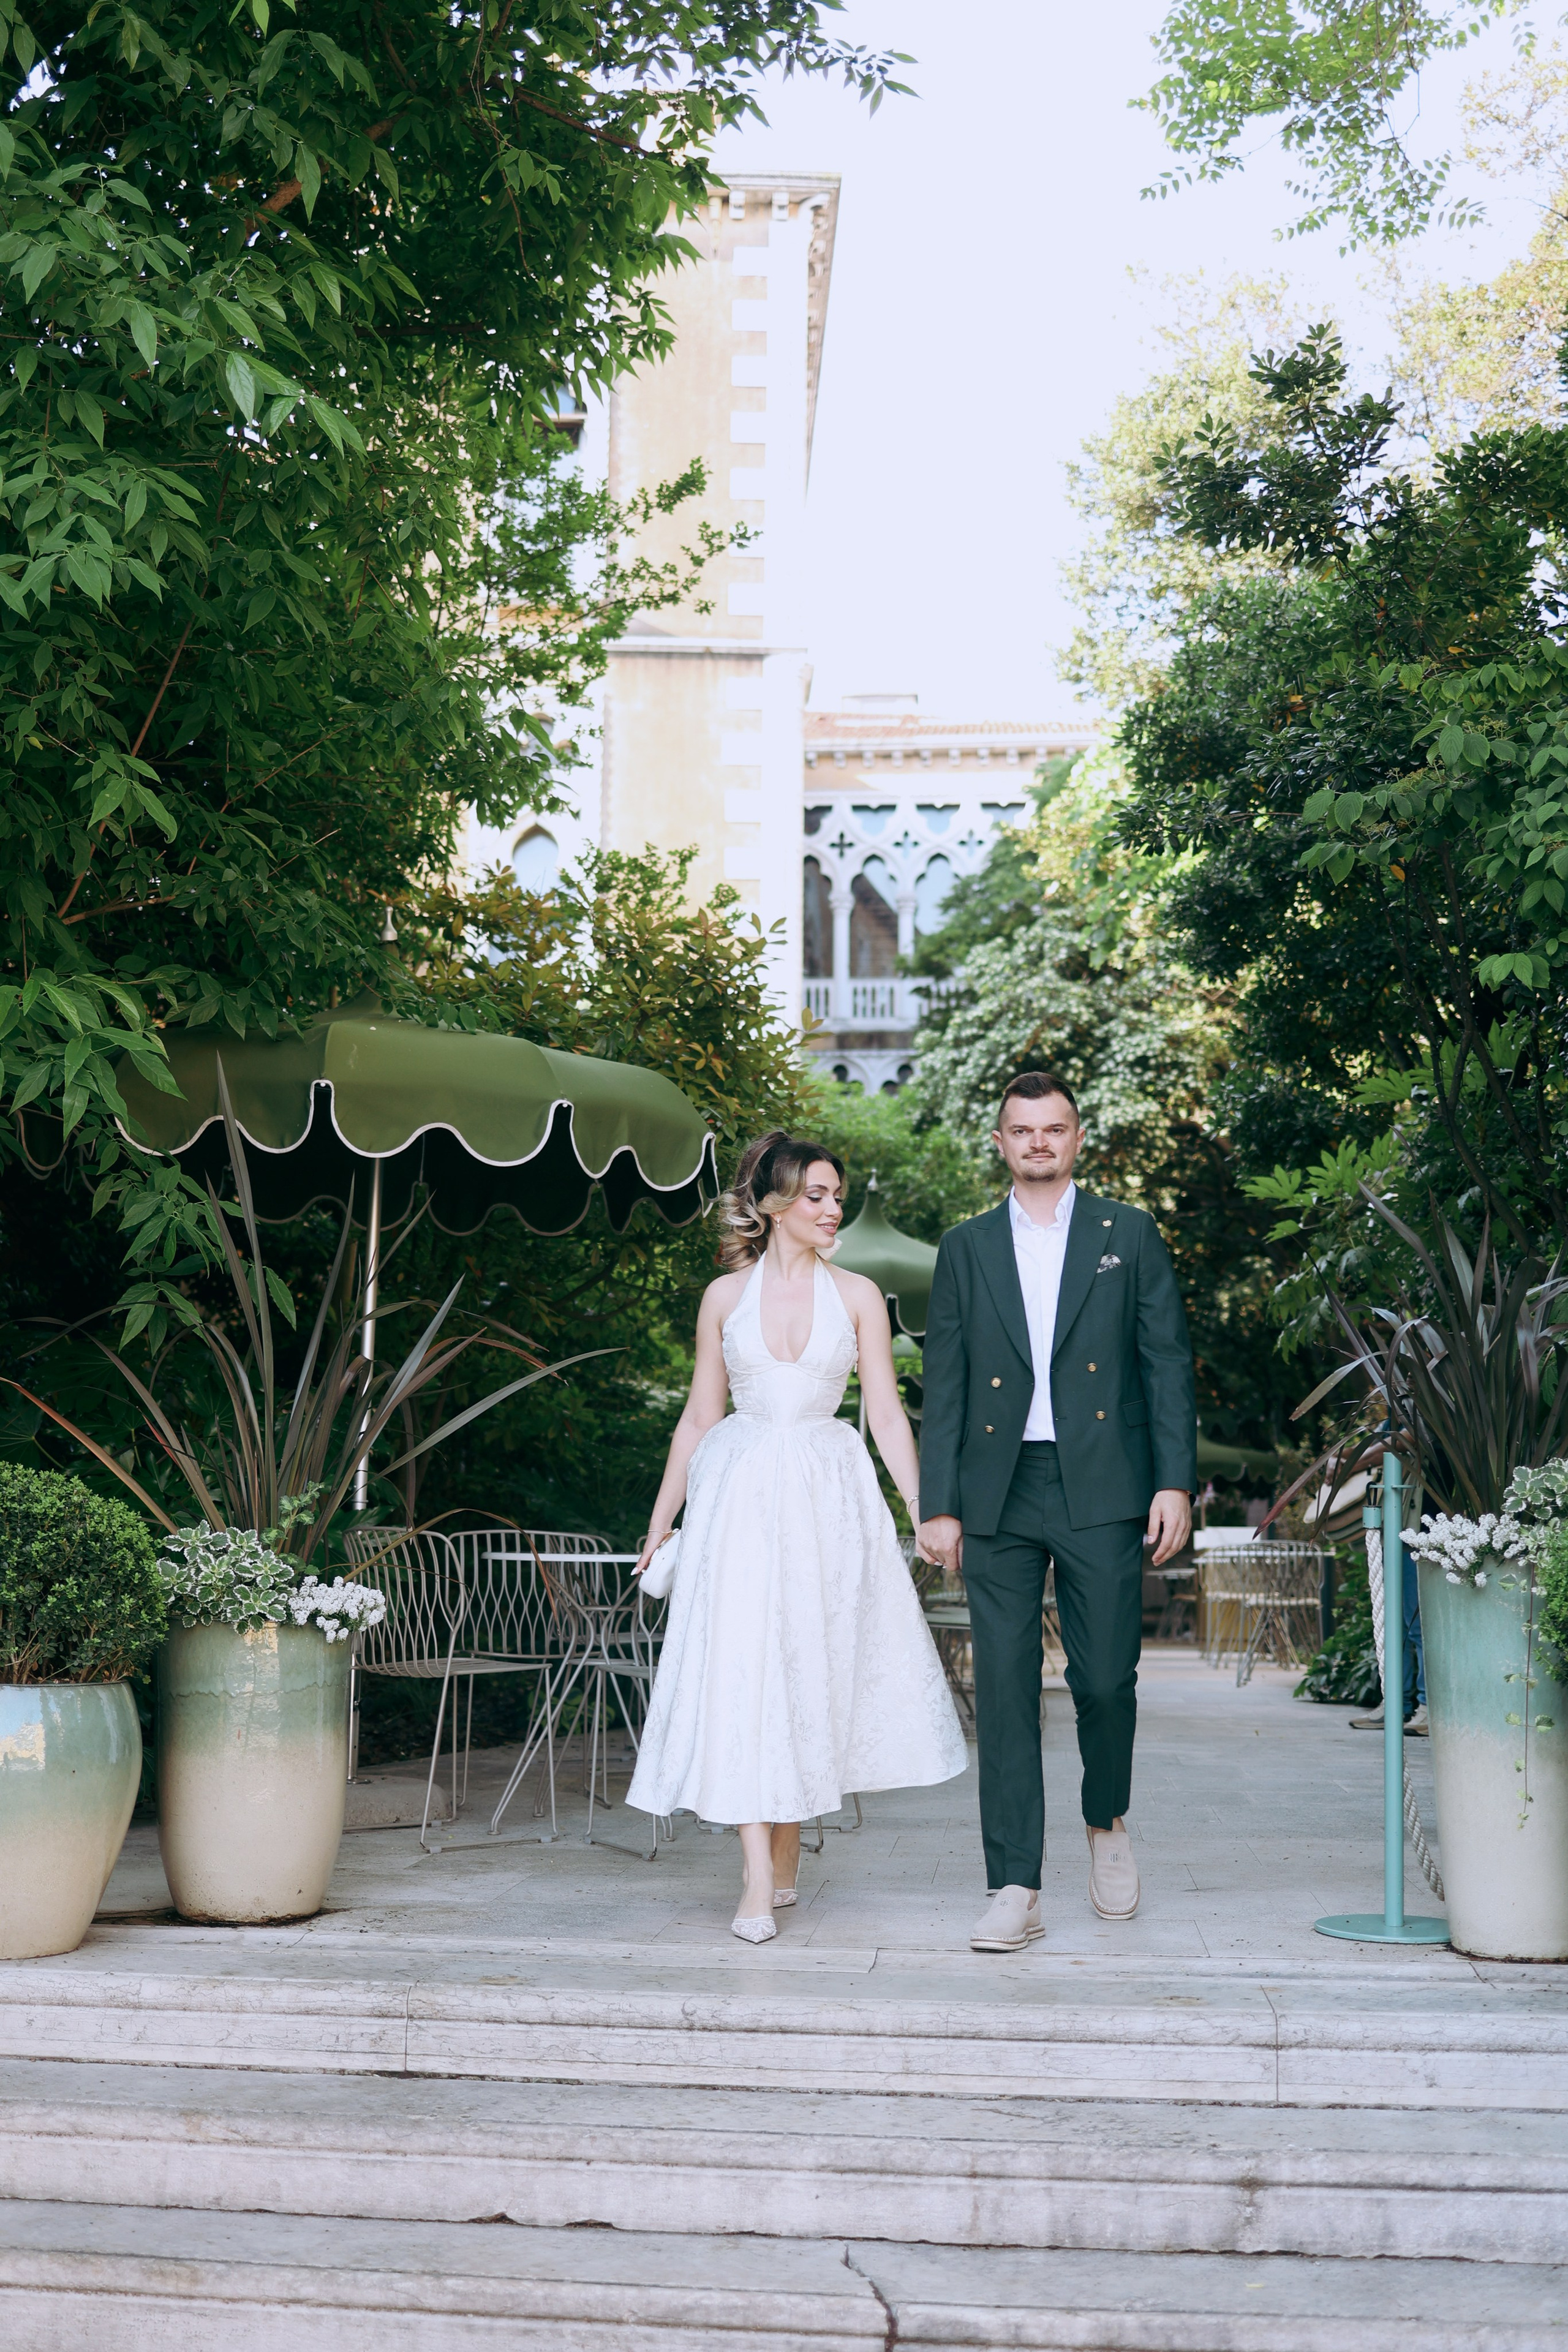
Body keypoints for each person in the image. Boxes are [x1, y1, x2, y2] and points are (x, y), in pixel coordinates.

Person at [627, 1131, 968, 1942]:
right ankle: (753, 1879)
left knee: (806, 1669)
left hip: (827, 1497)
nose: (831, 1208)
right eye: (816, 1194)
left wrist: (921, 1507)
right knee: (745, 1668)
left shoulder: (856, 1296)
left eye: (836, 1196)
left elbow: (884, 1411)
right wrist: (660, 1520)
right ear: (774, 1203)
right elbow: (700, 1417)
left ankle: (786, 1843)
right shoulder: (722, 1299)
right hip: (738, 1496)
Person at [918, 1072, 1196, 1953]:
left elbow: (1166, 1363)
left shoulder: (1131, 1233)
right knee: (1002, 1689)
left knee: (1107, 1680)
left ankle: (1105, 1822)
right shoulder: (964, 1247)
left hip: (1103, 1482)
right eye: (1021, 1129)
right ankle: (1015, 1885)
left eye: (1054, 1128)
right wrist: (940, 1505)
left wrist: (1174, 1481)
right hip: (997, 1490)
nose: (1038, 1141)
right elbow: (948, 1385)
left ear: (1079, 1139)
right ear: (998, 1143)